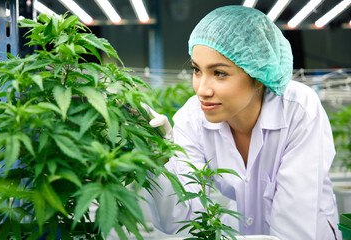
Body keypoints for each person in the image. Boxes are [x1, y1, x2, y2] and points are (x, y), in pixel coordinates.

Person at [145, 5, 341, 239]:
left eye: (219, 73)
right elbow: (181, 221)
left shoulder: (298, 111)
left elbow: (293, 231)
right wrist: (160, 159)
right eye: (197, 70)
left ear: (257, 76)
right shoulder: (192, 117)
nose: (202, 90)